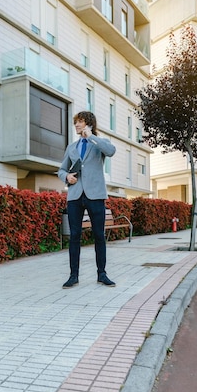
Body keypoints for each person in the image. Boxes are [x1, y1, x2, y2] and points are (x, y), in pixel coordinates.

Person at [58, 111, 116, 289]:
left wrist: (91, 136)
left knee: (99, 235)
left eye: (80, 122)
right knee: (74, 236)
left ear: (89, 124)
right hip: (75, 196)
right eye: (75, 122)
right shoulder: (71, 147)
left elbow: (111, 151)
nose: (76, 125)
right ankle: (73, 275)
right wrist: (67, 177)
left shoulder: (99, 143)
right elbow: (61, 170)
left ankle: (102, 274)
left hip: (95, 195)